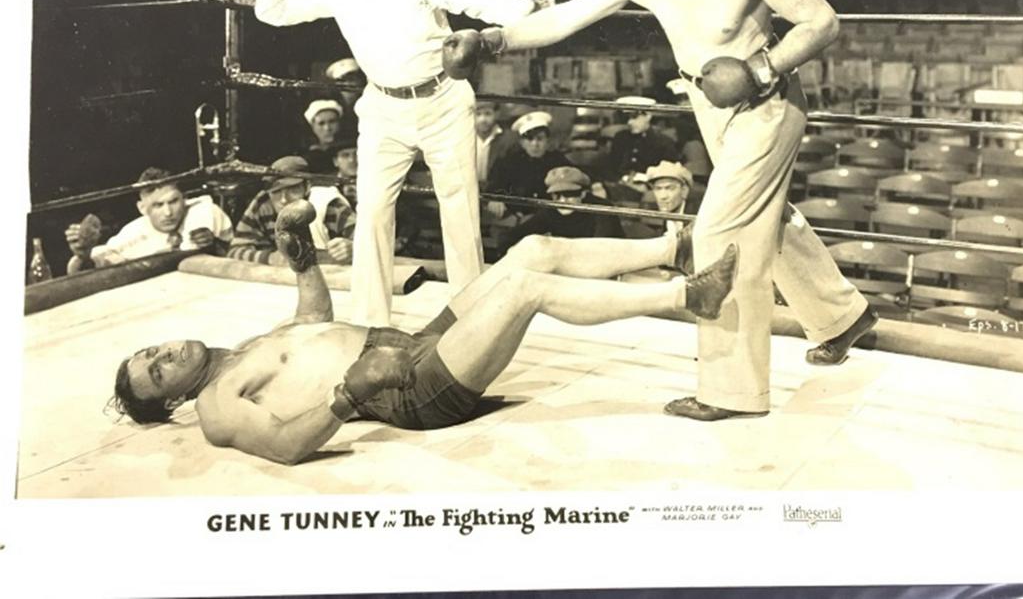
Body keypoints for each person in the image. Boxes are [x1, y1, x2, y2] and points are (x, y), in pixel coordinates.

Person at [443, 0, 874, 421]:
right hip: (706, 103)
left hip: (767, 104)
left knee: (721, 233)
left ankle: (732, 393)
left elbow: (822, 21)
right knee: (764, 215)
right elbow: (565, 18)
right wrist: (491, 40)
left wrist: (761, 68)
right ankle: (842, 316)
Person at [110, 199, 738, 465]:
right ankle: (689, 295)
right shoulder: (219, 408)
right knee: (526, 290)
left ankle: (671, 245)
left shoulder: (242, 349)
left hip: (411, 345)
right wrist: (347, 397)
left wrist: (302, 260)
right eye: (158, 370)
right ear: (172, 399)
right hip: (410, 388)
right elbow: (281, 447)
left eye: (151, 350)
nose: (164, 352)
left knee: (532, 251)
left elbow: (311, 319)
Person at [253, 0, 554, 326]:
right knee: (373, 210)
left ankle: (470, 321)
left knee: (459, 207)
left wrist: (525, 9)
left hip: (442, 101)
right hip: (382, 109)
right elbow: (272, 11)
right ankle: (369, 325)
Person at [65, 168, 231, 275]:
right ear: (142, 208)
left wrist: (215, 245)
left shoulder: (205, 212)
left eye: (174, 202)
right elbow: (89, 271)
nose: (168, 213)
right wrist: (82, 255)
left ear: (184, 198)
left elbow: (237, 253)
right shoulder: (132, 235)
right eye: (158, 205)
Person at [227, 156, 355, 265]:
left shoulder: (329, 204)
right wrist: (269, 258)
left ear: (307, 186)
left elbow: (370, 244)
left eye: (292, 189)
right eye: (276, 192)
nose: (283, 200)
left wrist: (352, 248)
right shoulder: (263, 203)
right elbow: (234, 252)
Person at [506, 165, 624, 246]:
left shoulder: (601, 209)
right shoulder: (551, 211)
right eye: (556, 195)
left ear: (583, 194)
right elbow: (512, 236)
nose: (562, 200)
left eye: (569, 194)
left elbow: (599, 248)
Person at [484, 111, 568, 216]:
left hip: (550, 220)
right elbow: (492, 188)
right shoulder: (508, 162)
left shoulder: (558, 160)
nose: (535, 144)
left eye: (540, 139)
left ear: (547, 140)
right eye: (529, 139)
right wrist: (494, 200)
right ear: (522, 143)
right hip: (514, 220)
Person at [600, 95, 679, 185]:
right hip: (620, 186)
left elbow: (669, 176)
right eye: (627, 118)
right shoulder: (620, 138)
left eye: (634, 117)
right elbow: (610, 167)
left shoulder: (664, 143)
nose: (629, 122)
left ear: (648, 116)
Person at [473, 99, 519, 185]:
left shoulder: (507, 139)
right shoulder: (467, 137)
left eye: (487, 114)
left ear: (496, 114)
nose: (483, 119)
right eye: (478, 114)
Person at [303, 98, 345, 174]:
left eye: (332, 122)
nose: (327, 128)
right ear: (313, 127)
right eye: (321, 123)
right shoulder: (310, 157)